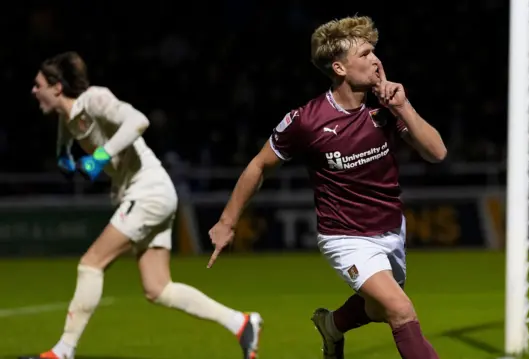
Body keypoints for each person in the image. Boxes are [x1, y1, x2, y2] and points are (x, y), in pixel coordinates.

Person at [207, 16, 446, 359]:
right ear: (340, 68)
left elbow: (437, 153)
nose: (375, 60)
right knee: (400, 310)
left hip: (391, 228)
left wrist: (403, 106)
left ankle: (332, 325)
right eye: (364, 54)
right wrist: (227, 222)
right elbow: (260, 164)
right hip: (345, 237)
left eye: (374, 52)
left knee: (378, 309)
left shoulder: (387, 103)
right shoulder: (307, 121)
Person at [24, 51, 262, 359]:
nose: (33, 90)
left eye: (37, 84)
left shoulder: (95, 98)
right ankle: (242, 323)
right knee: (158, 288)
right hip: (149, 193)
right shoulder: (67, 119)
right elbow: (66, 139)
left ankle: (64, 351)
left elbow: (139, 120)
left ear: (57, 87)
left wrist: (100, 155)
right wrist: (63, 157)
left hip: (148, 191)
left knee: (91, 263)